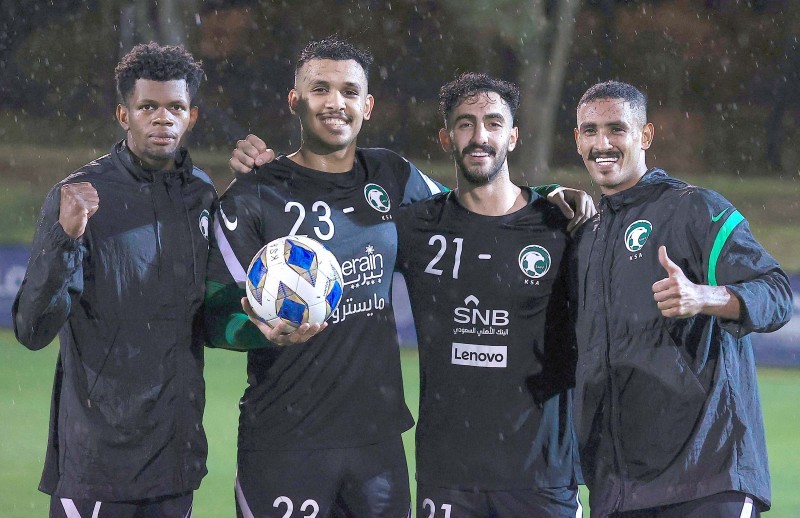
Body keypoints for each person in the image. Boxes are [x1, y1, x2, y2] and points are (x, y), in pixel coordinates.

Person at [204, 37, 447, 517]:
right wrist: (258, 331)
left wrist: (541, 196)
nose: (336, 102)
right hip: (283, 441)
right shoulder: (254, 194)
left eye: (350, 92)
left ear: (367, 106)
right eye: (320, 89)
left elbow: (473, 214)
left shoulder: (392, 175)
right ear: (294, 100)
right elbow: (211, 320)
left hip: (377, 442)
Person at [572, 80, 794, 517]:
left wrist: (704, 296)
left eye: (617, 129)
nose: (603, 144)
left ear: (645, 135)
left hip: (705, 478)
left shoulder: (693, 208)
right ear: (577, 139)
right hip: (618, 489)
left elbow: (776, 292)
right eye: (591, 131)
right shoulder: (584, 236)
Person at [13, 43, 213, 517]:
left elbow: (205, 314)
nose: (163, 118)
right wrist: (65, 237)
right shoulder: (79, 197)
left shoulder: (201, 195)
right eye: (148, 107)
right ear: (124, 115)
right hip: (97, 464)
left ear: (192, 117)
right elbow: (32, 328)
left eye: (176, 107)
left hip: (175, 463)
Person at [395, 73, 584, 517]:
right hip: (448, 475)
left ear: (512, 137)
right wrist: (267, 173)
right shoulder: (416, 228)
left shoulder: (561, 226)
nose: (480, 136)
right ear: (446, 138)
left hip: (542, 478)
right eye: (466, 124)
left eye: (494, 123)